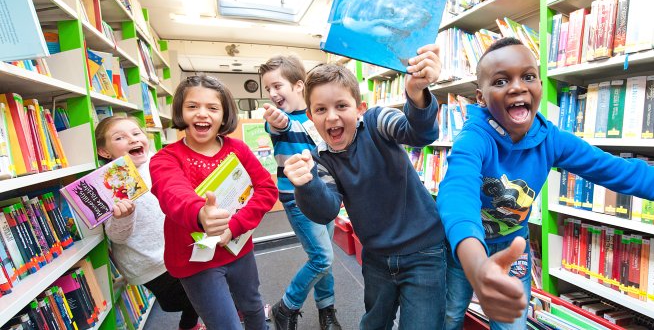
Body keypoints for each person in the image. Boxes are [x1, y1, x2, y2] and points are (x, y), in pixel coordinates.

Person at [437, 37, 654, 329]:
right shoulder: (474, 137)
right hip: (464, 247)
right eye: (500, 81)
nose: (517, 87)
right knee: (449, 315)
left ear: (538, 83)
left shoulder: (550, 139)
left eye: (528, 76)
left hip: (512, 248)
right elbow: (457, 194)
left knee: (512, 324)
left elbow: (627, 174)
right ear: (481, 98)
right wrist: (476, 265)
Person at [283, 44, 447, 329]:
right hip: (376, 258)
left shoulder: (376, 121)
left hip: (424, 252)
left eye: (341, 106)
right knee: (374, 322)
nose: (332, 117)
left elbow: (418, 133)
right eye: (321, 109)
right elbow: (326, 210)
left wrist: (416, 94)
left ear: (360, 109)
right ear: (311, 116)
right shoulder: (321, 161)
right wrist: (306, 183)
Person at [150, 75, 279, 330]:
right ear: (180, 111)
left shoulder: (238, 149)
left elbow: (266, 189)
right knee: (225, 324)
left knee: (253, 307)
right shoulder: (166, 158)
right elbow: (171, 191)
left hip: (238, 248)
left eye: (212, 108)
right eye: (192, 106)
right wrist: (199, 213)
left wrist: (236, 226)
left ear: (224, 115)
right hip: (196, 261)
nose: (202, 114)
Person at [96, 116, 205, 330]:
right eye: (120, 137)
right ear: (104, 152)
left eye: (136, 134)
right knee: (202, 295)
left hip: (182, 248)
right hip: (150, 263)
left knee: (211, 280)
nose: (132, 139)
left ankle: (190, 325)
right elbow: (117, 237)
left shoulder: (160, 163)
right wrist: (122, 216)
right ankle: (229, 311)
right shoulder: (111, 182)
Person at [258, 55, 341, 330]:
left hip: (325, 195)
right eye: (267, 88)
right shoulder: (279, 121)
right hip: (297, 200)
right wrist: (277, 119)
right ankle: (287, 306)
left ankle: (326, 309)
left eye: (277, 86)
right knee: (322, 258)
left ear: (298, 85)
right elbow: (280, 124)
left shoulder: (315, 116)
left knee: (325, 256)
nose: (272, 93)